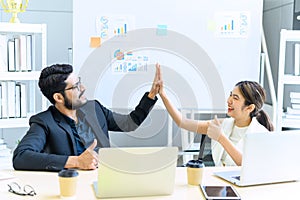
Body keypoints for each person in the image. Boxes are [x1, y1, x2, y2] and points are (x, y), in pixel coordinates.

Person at [13, 64, 160, 171]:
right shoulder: (44, 122)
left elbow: (130, 123)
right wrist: (76, 161)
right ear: (58, 97)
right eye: (75, 86)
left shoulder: (94, 108)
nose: (83, 88)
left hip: (106, 179)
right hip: (74, 188)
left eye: (80, 82)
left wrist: (151, 95)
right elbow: (21, 157)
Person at [155, 64, 274, 166]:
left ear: (249, 107)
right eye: (230, 95)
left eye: (235, 98)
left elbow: (247, 165)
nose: (229, 100)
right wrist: (163, 95)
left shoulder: (261, 134)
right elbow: (183, 122)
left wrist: (221, 137)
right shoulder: (223, 124)